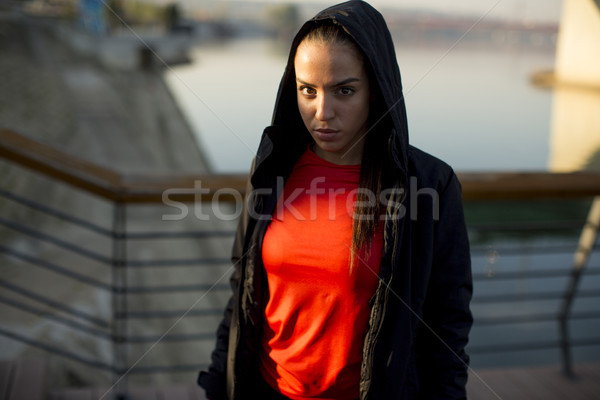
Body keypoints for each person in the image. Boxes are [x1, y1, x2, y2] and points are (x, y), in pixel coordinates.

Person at [198, 1, 473, 399]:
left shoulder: (429, 185)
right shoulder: (272, 166)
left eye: (344, 90)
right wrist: (216, 383)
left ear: (376, 90)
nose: (322, 112)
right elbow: (243, 289)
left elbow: (447, 326)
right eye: (307, 90)